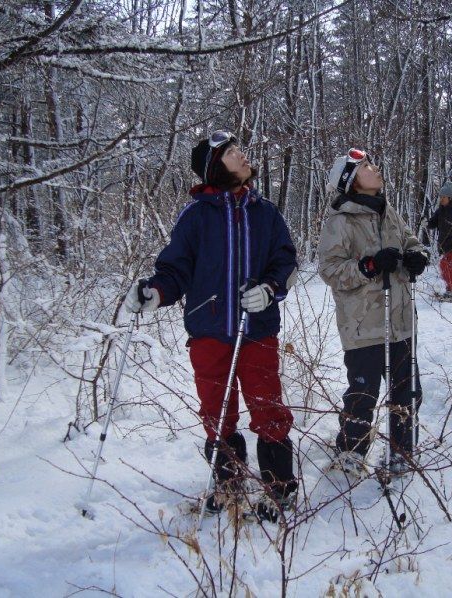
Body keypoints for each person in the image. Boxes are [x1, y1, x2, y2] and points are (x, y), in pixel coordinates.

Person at [124, 131, 298, 522]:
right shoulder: (196, 216)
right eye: (233, 153)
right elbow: (174, 269)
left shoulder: (265, 212)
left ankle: (279, 488)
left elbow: (286, 261)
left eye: (240, 150)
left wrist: (270, 289)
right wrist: (155, 292)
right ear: (215, 167)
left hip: (257, 328)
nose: (244, 155)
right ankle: (229, 483)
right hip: (208, 330)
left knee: (267, 405)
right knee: (217, 412)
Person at [318, 148, 429, 476]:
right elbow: (330, 270)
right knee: (362, 393)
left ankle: (401, 452)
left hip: (400, 321)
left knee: (407, 391)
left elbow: (411, 241)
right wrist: (368, 265)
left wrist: (417, 256)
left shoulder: (387, 211)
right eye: (366, 166)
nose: (375, 167)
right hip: (362, 324)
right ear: (351, 181)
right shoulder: (339, 222)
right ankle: (350, 454)